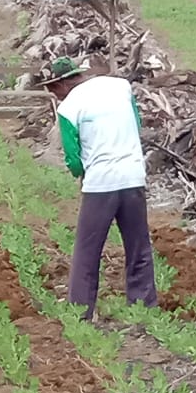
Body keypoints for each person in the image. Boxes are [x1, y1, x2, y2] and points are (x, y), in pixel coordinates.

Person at [40, 56, 157, 319]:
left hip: (100, 185)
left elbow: (72, 157)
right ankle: (144, 308)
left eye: (51, 88)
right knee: (139, 247)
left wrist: (81, 173)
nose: (52, 94)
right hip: (133, 177)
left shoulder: (69, 107)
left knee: (87, 252)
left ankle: (81, 312)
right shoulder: (120, 87)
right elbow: (136, 124)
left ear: (62, 83)